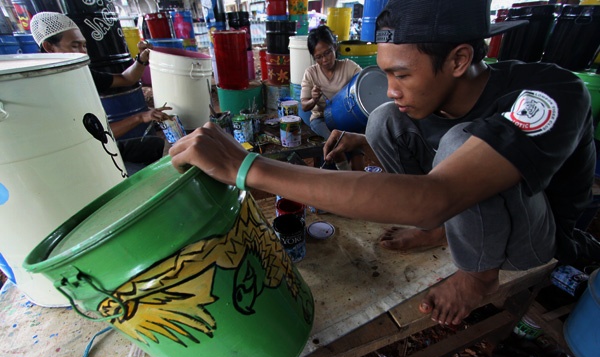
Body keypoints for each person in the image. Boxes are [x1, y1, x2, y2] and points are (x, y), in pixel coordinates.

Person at [168, 0, 600, 327]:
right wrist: (366, 142)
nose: (391, 87)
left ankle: (478, 277)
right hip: (459, 203)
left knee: (459, 144)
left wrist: (248, 167)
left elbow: (440, 192)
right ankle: (441, 231)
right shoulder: (422, 95)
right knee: (382, 121)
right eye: (387, 74)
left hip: (536, 238)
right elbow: (417, 157)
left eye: (403, 76)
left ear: (459, 60)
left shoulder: (548, 95)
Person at [30, 11, 171, 175]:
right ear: (49, 47)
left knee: (153, 145)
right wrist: (140, 117)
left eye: (84, 46)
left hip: (101, 143)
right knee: (140, 175)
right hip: (83, 157)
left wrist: (141, 58)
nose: (83, 53)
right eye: (75, 46)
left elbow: (127, 79)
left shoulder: (83, 73)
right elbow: (92, 135)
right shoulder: (45, 91)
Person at [301, 25, 362, 141]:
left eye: (328, 52)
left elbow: (364, 84)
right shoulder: (311, 73)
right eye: (318, 57)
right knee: (336, 141)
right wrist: (314, 99)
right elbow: (304, 106)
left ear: (335, 47)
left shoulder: (349, 67)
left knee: (355, 145)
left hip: (348, 118)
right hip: (321, 119)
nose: (324, 60)